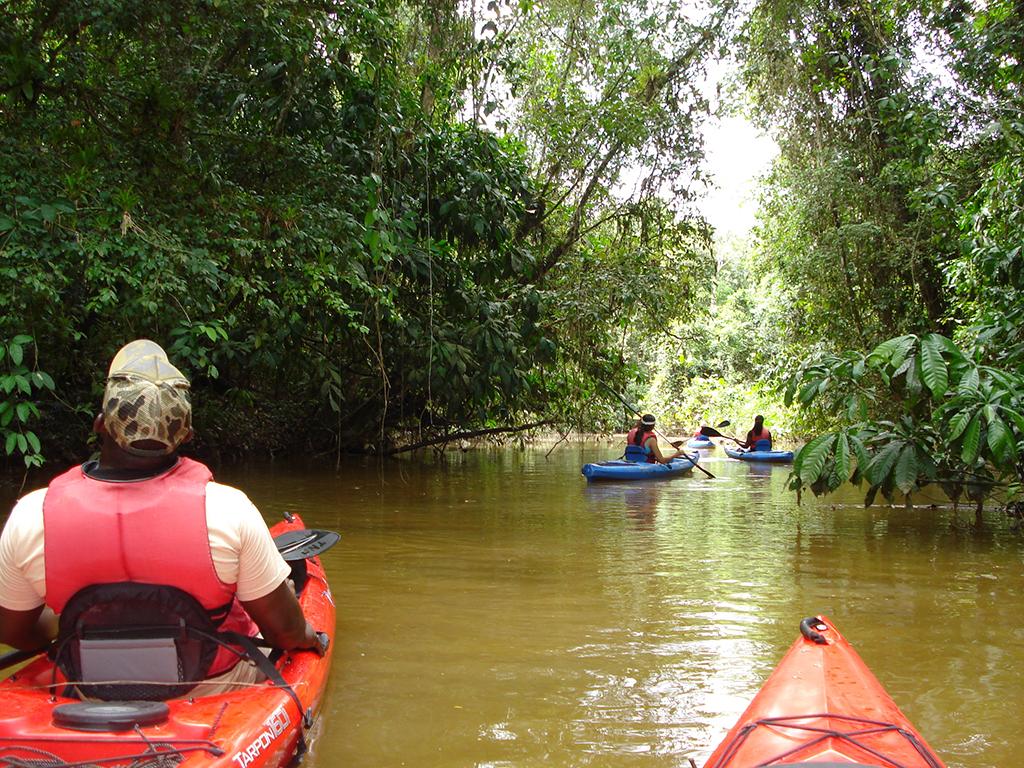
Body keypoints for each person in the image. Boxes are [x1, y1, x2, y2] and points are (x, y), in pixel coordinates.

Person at [0, 339, 324, 694]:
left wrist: (68, 625)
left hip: (86, 687)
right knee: (276, 600)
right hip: (209, 687)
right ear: (185, 435)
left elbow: (13, 631)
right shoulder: (228, 510)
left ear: (100, 425)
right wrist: (310, 636)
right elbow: (285, 632)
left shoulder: (32, 515)